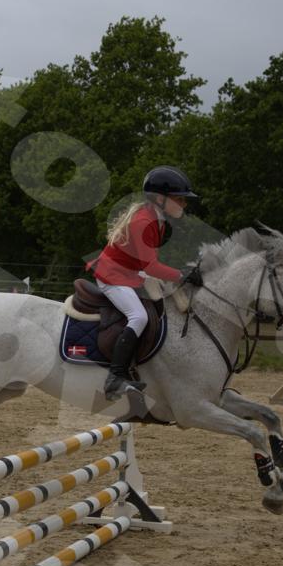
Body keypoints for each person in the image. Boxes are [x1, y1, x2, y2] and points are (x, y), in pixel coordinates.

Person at [87, 166, 197, 399]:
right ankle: (115, 378)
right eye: (179, 199)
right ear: (160, 199)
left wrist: (180, 274)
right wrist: (182, 275)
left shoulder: (157, 220)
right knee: (139, 316)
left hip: (129, 273)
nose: (184, 204)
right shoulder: (144, 221)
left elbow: (149, 264)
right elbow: (151, 267)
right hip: (112, 276)